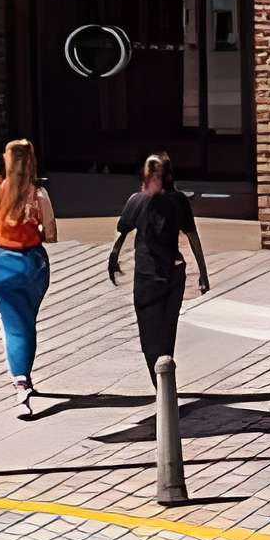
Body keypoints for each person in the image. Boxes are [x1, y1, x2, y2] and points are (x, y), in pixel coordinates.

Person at [106, 152, 211, 390]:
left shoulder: (136, 200)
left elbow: (122, 233)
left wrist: (113, 259)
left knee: (149, 337)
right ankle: (165, 385)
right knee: (167, 333)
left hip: (147, 277)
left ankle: (161, 388)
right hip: (174, 276)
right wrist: (203, 272)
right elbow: (192, 236)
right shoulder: (179, 201)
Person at [0, 137, 56, 411]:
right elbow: (50, 233)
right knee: (27, 323)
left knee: (14, 325)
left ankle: (21, 381)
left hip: (4, 265)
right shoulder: (39, 195)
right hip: (33, 265)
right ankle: (25, 376)